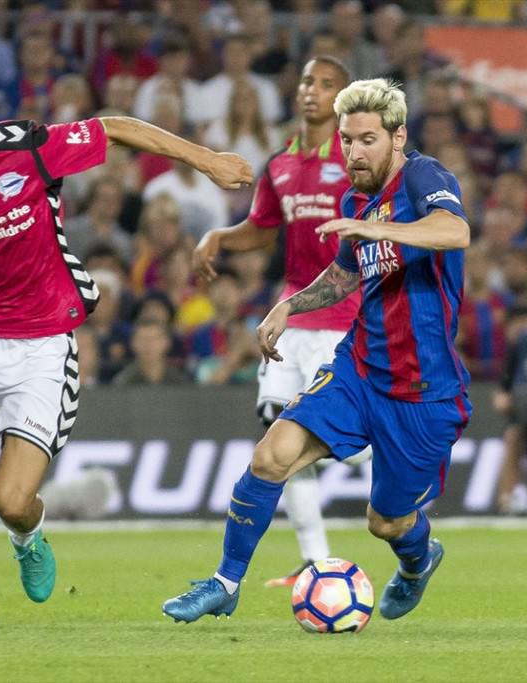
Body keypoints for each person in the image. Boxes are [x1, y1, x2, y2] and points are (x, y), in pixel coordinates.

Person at [0, 58, 251, 631]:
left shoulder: (23, 147)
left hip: (41, 343)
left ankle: (28, 537)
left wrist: (207, 160)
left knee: (11, 502)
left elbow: (114, 127)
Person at [163, 78, 472, 623]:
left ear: (398, 137)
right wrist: (290, 306)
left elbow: (455, 231)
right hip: (360, 369)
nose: (355, 152)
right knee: (271, 455)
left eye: (368, 140)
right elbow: (346, 274)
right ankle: (225, 582)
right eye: (348, 140)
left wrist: (380, 229)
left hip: (423, 390)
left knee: (386, 521)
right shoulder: (356, 200)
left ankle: (418, 561)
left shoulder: (424, 177)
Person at [192, 56, 369, 589]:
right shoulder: (281, 164)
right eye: (308, 80)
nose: (313, 90)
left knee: (349, 442)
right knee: (280, 433)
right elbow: (262, 227)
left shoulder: (358, 159)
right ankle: (315, 559)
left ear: (344, 98)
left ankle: (410, 503)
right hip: (291, 317)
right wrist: (220, 237)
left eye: (327, 84)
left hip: (343, 315)